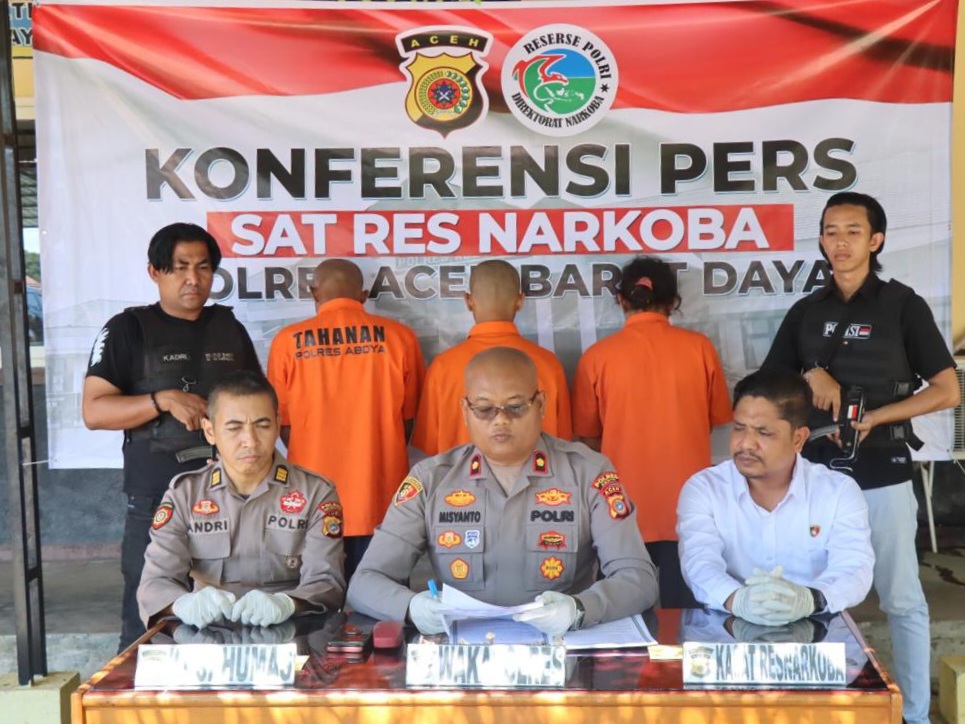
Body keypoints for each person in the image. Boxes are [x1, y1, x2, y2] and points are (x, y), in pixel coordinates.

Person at [762, 192, 959, 724]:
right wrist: (810, 374)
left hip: (883, 470)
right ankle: (818, 710)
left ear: (876, 240)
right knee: (809, 597)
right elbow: (769, 386)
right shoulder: (807, 312)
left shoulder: (903, 306)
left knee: (902, 599)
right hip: (815, 477)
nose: (840, 242)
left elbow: (947, 391)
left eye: (853, 231)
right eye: (831, 231)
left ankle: (914, 715)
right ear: (821, 240)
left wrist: (879, 416)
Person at [347, 347, 658, 635]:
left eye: (515, 407)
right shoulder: (431, 480)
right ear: (465, 410)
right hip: (462, 656)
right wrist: (412, 608)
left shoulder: (587, 472)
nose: (500, 420)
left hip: (562, 651)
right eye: (484, 409)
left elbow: (638, 578)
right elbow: (364, 582)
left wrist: (580, 609)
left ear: (540, 405)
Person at [82, 222, 262, 651]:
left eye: (203, 267)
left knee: (235, 618)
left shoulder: (229, 328)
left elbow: (259, 408)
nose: (193, 279)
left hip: (230, 498)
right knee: (149, 621)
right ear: (155, 272)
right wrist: (161, 400)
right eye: (180, 267)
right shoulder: (128, 329)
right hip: (156, 500)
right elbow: (94, 411)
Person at [572, 256, 731, 607]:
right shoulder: (699, 347)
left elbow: (587, 437)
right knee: (686, 619)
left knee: (621, 615)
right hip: (688, 508)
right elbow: (717, 417)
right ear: (673, 302)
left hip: (620, 511)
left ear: (621, 300)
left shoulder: (597, 357)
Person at [138, 371, 345, 630]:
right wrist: (182, 604)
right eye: (234, 428)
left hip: (292, 632)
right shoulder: (185, 495)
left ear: (277, 425)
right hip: (209, 632)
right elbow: (155, 581)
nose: (250, 440)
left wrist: (287, 603)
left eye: (262, 425)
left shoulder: (315, 492)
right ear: (210, 431)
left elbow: (327, 582)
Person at [677, 369, 874, 626]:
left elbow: (855, 567)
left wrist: (809, 599)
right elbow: (699, 563)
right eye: (739, 429)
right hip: (728, 627)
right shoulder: (704, 489)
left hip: (817, 627)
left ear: (798, 439)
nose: (746, 444)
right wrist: (738, 600)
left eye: (763, 433)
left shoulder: (838, 491)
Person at [267, 259, 424, 578]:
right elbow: (409, 419)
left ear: (314, 293)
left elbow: (282, 425)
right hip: (380, 494)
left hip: (313, 498)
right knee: (381, 595)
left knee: (316, 596)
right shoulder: (400, 338)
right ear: (363, 295)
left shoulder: (287, 341)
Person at [411, 259, 572, 455]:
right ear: (520, 301)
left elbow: (430, 445)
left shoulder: (442, 367)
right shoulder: (548, 364)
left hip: (461, 475)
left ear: (468, 301)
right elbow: (563, 441)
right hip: (539, 473)